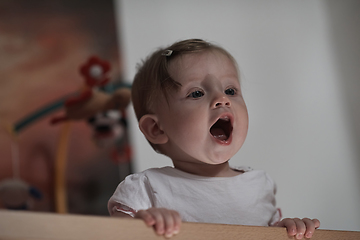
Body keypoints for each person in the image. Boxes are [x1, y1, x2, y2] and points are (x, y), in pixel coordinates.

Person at [108, 39, 320, 239]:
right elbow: (112, 233)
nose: (222, 99)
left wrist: (287, 230)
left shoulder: (258, 184)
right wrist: (138, 225)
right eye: (197, 93)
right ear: (156, 128)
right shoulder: (146, 186)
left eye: (230, 90)